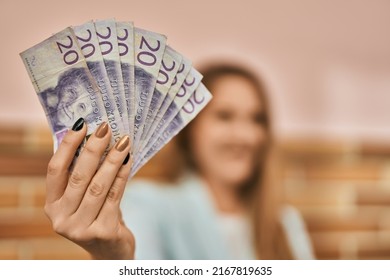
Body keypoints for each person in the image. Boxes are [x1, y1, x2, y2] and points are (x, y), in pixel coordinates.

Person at [44, 62, 314, 260]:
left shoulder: (285, 222)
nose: (245, 135)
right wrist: (117, 260)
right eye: (225, 116)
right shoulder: (148, 205)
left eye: (257, 119)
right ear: (190, 130)